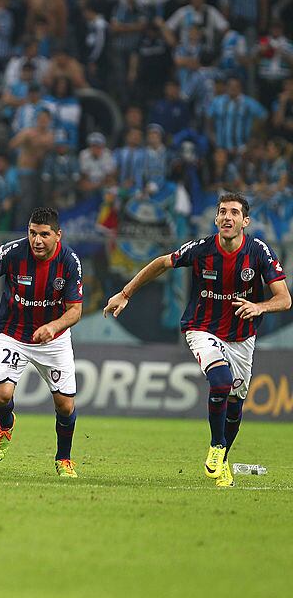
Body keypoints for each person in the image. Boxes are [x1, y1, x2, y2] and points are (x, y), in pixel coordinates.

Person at [104, 194, 290, 488]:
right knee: (220, 382)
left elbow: (284, 298)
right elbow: (161, 263)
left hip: (242, 336)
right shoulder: (202, 249)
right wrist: (125, 294)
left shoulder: (258, 252)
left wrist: (260, 306)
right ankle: (217, 446)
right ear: (216, 219)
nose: (227, 217)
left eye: (234, 213)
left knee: (235, 401)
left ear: (245, 221)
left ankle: (223, 458)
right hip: (203, 328)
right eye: (222, 212)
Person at [0, 207, 83, 478]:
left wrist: (53, 327)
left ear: (57, 236)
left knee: (65, 405)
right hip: (14, 333)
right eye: (32, 233)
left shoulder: (69, 261)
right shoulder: (13, 252)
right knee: (1, 395)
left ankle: (63, 459)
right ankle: (6, 423)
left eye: (44, 234)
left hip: (54, 339)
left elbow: (75, 310)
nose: (37, 241)